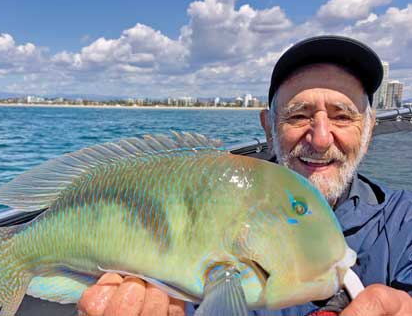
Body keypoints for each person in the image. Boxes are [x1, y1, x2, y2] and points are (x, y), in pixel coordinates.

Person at [77, 36, 412, 316]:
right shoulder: (216, 205)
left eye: (342, 116)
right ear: (269, 128)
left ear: (368, 129)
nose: (321, 138)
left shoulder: (405, 221)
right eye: (298, 115)